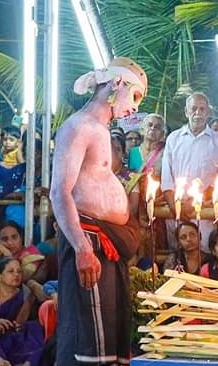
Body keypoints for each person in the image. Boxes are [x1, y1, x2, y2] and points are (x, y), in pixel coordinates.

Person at [49, 57, 147, 365]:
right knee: (89, 340)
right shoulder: (78, 127)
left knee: (110, 336)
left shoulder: (102, 131)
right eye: (135, 97)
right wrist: (81, 248)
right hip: (90, 241)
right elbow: (59, 192)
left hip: (107, 244)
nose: (134, 108)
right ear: (116, 84)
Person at [161, 93, 218, 251]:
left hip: (205, 212)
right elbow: (166, 179)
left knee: (203, 255)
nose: (198, 113)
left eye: (202, 109)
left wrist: (196, 202)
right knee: (179, 258)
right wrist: (175, 206)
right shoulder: (173, 138)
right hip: (176, 211)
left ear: (208, 113)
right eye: (194, 108)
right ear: (186, 111)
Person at [0, 257, 44, 366]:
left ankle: (28, 363)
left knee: (35, 328)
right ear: (0, 276)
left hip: (15, 336)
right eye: (11, 271)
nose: (16, 275)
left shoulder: (26, 295)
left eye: (19, 271)